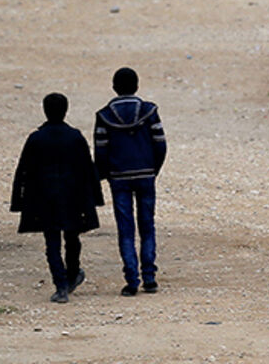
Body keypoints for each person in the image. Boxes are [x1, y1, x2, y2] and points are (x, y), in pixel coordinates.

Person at [11, 92, 104, 304]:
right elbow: (88, 169)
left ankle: (61, 285)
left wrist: (18, 201)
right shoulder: (75, 137)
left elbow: (23, 171)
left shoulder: (36, 138)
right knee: (72, 239)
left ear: (45, 110)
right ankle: (72, 275)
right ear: (66, 111)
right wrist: (95, 199)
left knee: (51, 243)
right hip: (73, 198)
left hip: (44, 199)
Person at [94, 67, 166, 296]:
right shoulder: (149, 111)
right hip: (145, 174)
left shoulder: (104, 116)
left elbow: (100, 151)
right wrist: (153, 169)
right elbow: (160, 144)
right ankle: (150, 278)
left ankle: (132, 280)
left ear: (114, 87)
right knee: (147, 226)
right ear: (137, 86)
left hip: (119, 178)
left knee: (125, 229)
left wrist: (104, 173)